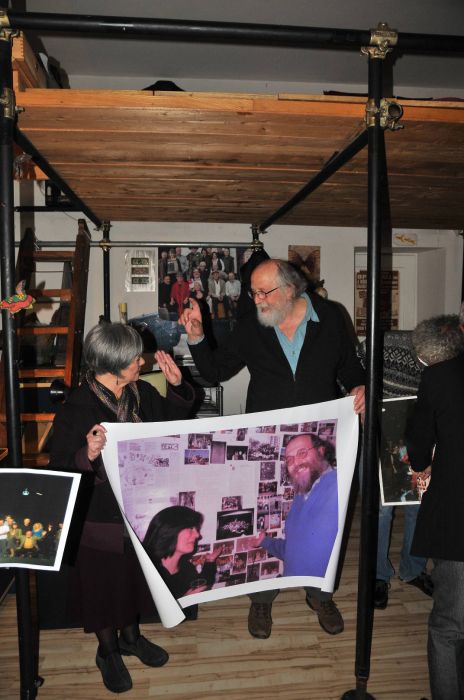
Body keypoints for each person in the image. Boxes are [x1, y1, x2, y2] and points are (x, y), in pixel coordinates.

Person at [179, 258, 365, 639]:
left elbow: (350, 368)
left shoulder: (331, 318)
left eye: (265, 292)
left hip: (318, 439)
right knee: (265, 519)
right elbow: (215, 372)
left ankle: (320, 594)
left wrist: (360, 386)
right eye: (254, 293)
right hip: (267, 442)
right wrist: (197, 336)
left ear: (291, 289)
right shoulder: (252, 326)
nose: (258, 300)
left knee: (324, 521)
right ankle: (261, 600)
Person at [49, 322, 195, 694]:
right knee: (101, 586)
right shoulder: (76, 408)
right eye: (133, 358)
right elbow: (60, 467)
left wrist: (178, 387)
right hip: (98, 518)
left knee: (131, 580)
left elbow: (174, 427)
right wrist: (87, 454)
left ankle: (131, 639)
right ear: (113, 365)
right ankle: (108, 651)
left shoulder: (142, 393)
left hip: (141, 510)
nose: (141, 361)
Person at [405, 312, 464, 700]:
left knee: (448, 627)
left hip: (458, 515)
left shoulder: (438, 377)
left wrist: (421, 464)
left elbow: (419, 440)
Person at [358, 331, 434, 609]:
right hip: (380, 434)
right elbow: (348, 375)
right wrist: (358, 402)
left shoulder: (447, 359)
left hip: (419, 437)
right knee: (380, 510)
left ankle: (413, 569)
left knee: (420, 504)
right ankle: (378, 575)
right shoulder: (380, 346)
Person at [255, 434, 338, 577]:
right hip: (293, 584)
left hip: (316, 586)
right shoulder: (300, 495)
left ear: (321, 451)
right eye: (289, 460)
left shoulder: (339, 485)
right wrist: (265, 542)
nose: (296, 463)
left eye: (302, 453)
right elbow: (294, 551)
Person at [143, 505, 222, 599]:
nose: (197, 535)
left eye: (196, 529)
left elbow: (199, 587)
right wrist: (183, 601)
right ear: (169, 530)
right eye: (191, 528)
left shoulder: (186, 568)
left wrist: (210, 561)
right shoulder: (147, 573)